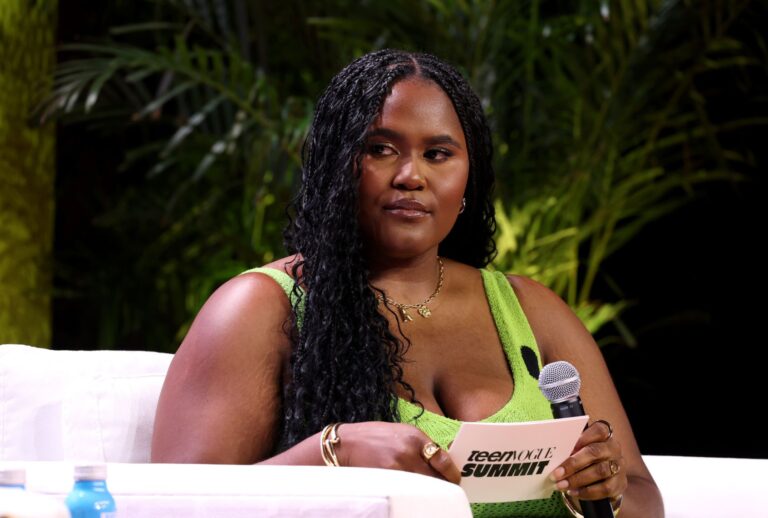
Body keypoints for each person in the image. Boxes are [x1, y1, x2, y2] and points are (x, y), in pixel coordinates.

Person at [151, 49, 664, 517]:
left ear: (468, 178)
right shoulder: (260, 307)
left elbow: (644, 497)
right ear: (336, 166)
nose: (411, 176)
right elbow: (169, 505)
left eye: (438, 154)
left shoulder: (530, 308)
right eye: (380, 149)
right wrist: (333, 451)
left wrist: (607, 485)